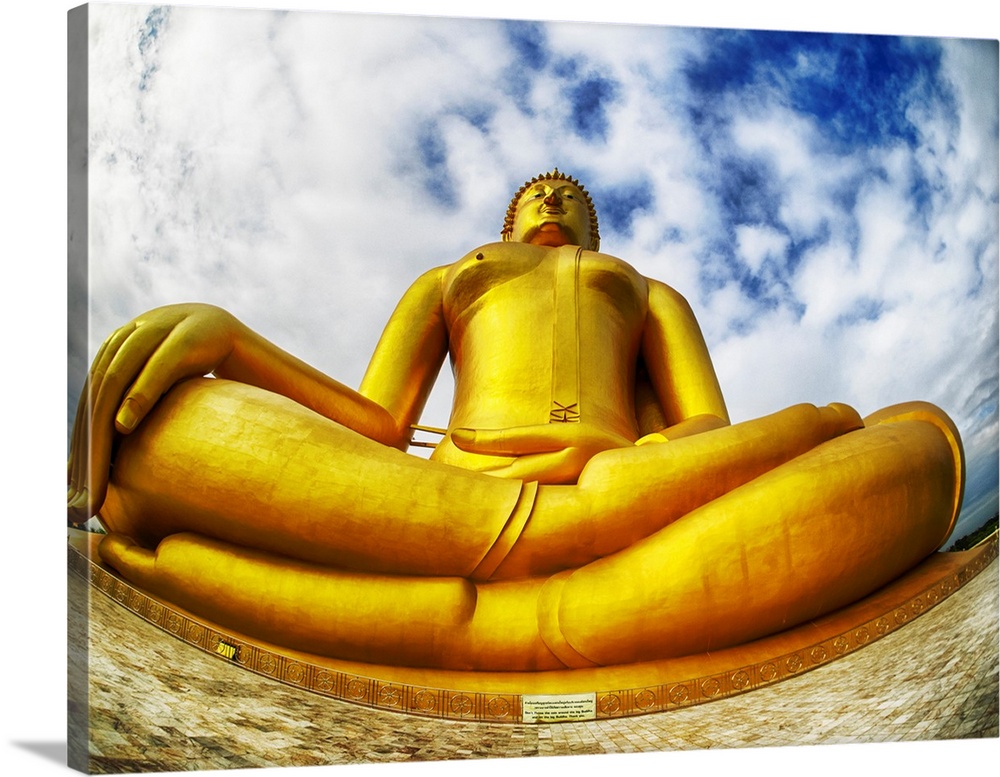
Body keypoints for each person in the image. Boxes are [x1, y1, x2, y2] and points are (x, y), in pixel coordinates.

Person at [67, 170, 964, 671]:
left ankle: (484, 621)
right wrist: (237, 344)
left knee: (910, 451)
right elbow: (379, 423)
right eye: (535, 194)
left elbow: (707, 424)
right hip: (441, 498)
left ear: (591, 227)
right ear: (506, 219)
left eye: (568, 196)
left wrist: (647, 461)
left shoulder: (644, 293)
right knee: (170, 432)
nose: (549, 201)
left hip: (629, 495)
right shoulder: (455, 275)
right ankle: (545, 608)